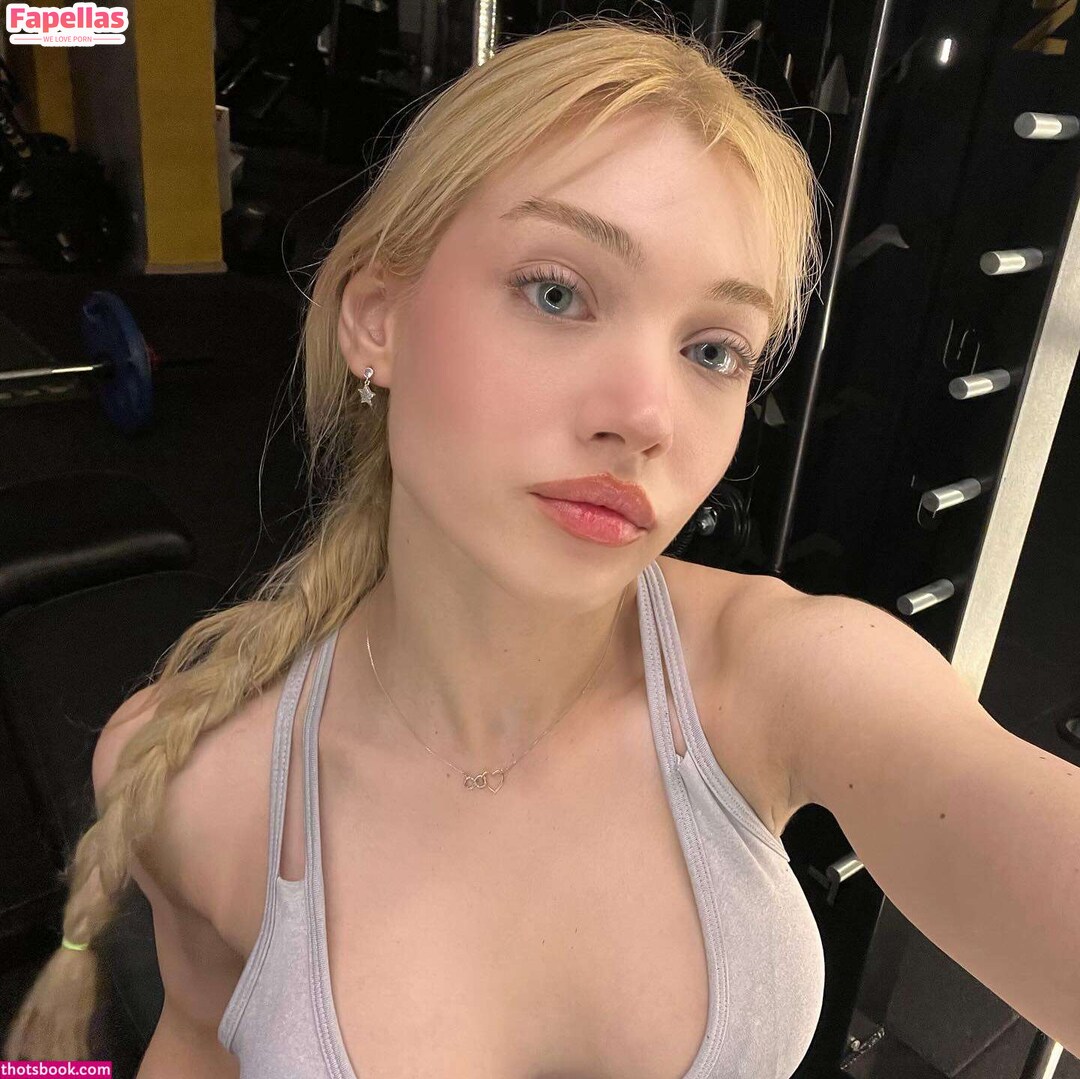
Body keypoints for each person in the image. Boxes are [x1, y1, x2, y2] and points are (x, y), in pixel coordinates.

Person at [4, 12, 824, 1075]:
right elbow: (197, 1039)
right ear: (377, 319)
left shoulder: (779, 672)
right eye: (557, 291)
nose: (647, 416)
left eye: (713, 350)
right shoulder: (191, 781)